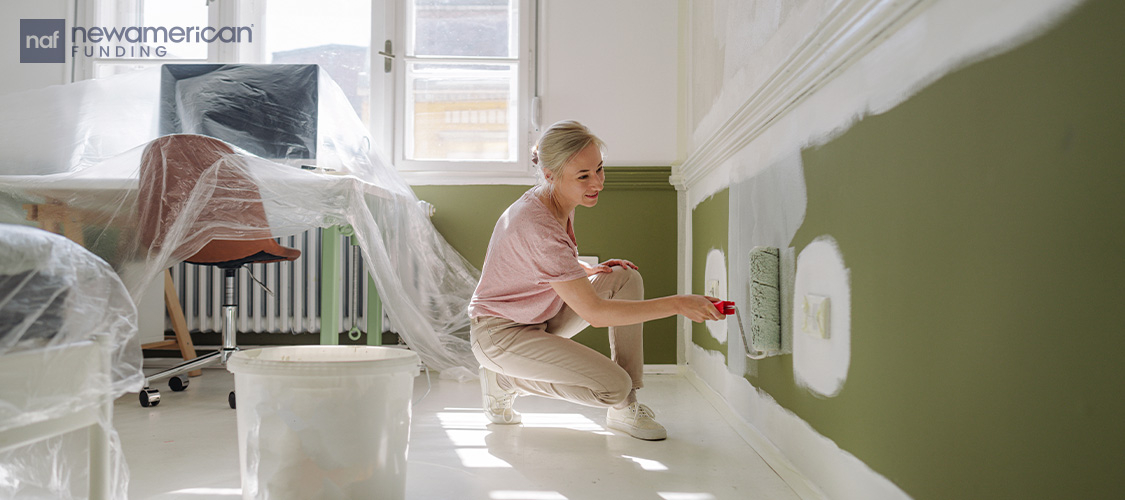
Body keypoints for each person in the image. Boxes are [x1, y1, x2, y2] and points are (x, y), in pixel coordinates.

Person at [467, 120, 724, 441]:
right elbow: (595, 314)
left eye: (600, 170)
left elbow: (532, 261)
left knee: (624, 277)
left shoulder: (555, 199)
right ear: (550, 175)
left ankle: (625, 407)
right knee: (613, 386)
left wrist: (583, 270)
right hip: (499, 336)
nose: (598, 183)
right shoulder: (537, 223)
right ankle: (504, 380)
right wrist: (679, 303)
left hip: (536, 317)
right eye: (584, 176)